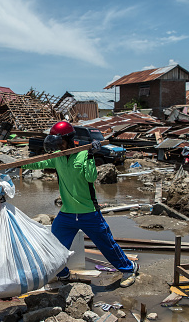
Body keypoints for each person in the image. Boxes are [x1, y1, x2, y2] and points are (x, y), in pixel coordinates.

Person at [22, 121, 139, 287]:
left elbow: (91, 178)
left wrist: (91, 155)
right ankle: (63, 275)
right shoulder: (58, 157)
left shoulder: (83, 154)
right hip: (67, 213)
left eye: (59, 142)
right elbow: (38, 162)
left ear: (68, 139)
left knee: (106, 245)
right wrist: (12, 164)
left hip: (89, 212)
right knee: (53, 246)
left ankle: (129, 269)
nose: (57, 145)